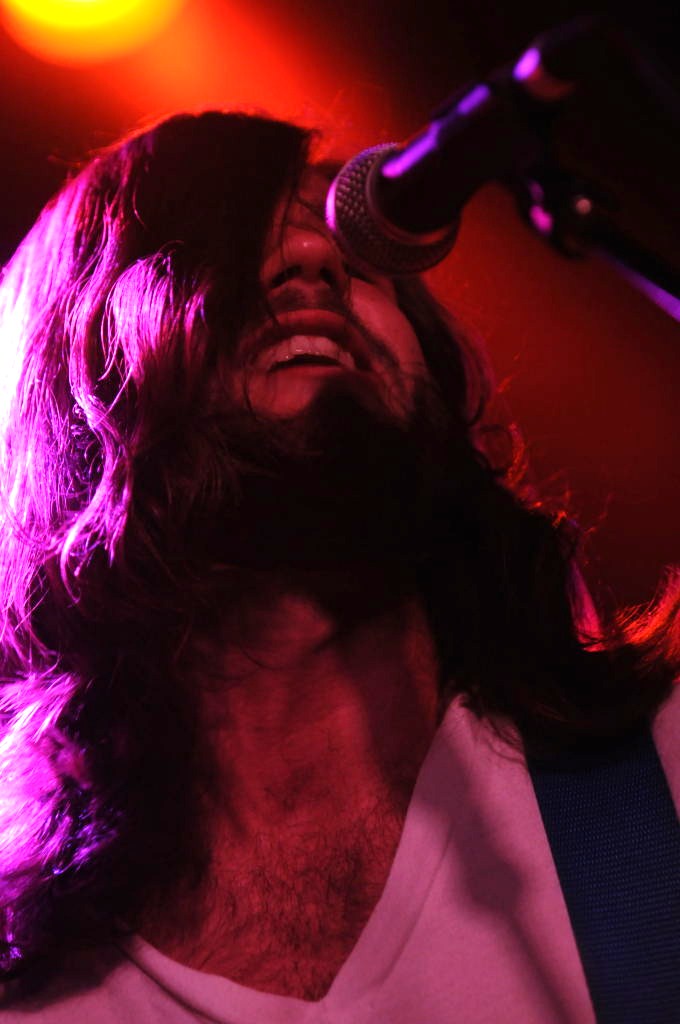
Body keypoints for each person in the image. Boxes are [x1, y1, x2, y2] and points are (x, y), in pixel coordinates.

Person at [0, 110, 677, 1022]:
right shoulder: (36, 988)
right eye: (231, 244)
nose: (319, 257)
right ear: (78, 367)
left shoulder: (658, 780)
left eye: (356, 258)